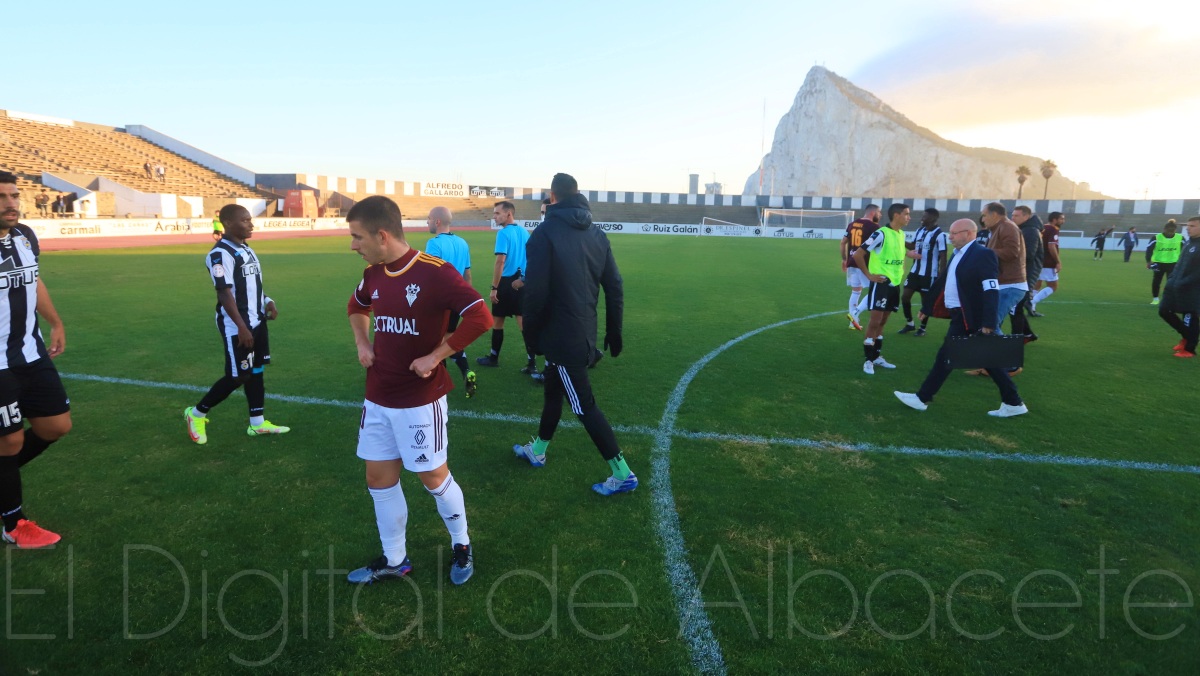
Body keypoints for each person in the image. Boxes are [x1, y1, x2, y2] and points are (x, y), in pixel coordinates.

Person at [344, 196, 492, 585]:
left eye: (357, 237)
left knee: (433, 477)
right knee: (378, 479)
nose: (352, 245)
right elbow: (356, 308)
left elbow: (481, 315)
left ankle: (461, 544)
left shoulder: (435, 272)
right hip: (378, 397)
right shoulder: (374, 274)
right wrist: (363, 344)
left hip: (419, 401)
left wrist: (437, 355)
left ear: (381, 234)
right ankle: (395, 559)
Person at [513, 173, 634, 496]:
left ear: (552, 197)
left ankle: (622, 472)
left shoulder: (544, 234)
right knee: (553, 390)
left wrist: (531, 338)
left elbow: (535, 293)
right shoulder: (597, 234)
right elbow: (615, 286)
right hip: (581, 333)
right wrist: (614, 331)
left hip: (561, 337)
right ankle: (537, 449)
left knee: (583, 405)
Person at [0, 172, 73, 548]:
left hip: (31, 352)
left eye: (14, 195)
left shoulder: (25, 235)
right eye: (2, 197)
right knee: (9, 442)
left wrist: (55, 321)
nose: (11, 203)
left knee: (55, 427)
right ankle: (13, 523)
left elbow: (34, 281)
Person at [893, 219, 1028, 417]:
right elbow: (943, 282)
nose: (950, 237)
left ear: (968, 233)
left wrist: (989, 322)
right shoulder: (957, 254)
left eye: (955, 233)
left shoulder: (984, 255)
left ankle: (922, 398)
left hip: (972, 317)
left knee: (950, 356)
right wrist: (927, 307)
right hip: (961, 316)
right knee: (983, 358)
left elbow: (991, 290)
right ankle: (1013, 402)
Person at [183, 205, 290, 444]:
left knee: (257, 371)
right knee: (238, 376)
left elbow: (251, 286)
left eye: (250, 219)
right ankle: (197, 413)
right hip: (237, 325)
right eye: (245, 220)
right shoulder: (220, 254)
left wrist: (268, 301)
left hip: (257, 320)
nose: (251, 224)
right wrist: (242, 327)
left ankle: (257, 423)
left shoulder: (246, 249)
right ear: (229, 223)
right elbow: (224, 293)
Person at [425, 206, 477, 398]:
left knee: (436, 342)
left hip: (439, 303)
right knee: (448, 339)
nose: (427, 222)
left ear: (437, 221)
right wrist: (466, 301)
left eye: (429, 219)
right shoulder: (462, 242)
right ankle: (466, 371)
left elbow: (431, 276)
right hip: (457, 301)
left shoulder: (434, 243)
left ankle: (439, 384)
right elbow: (467, 274)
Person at [476, 201, 534, 373]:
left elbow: (500, 261)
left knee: (498, 321)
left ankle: (494, 358)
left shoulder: (503, 234)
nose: (494, 217)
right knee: (523, 322)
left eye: (497, 213)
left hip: (506, 282)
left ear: (508, 214)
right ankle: (532, 363)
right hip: (522, 282)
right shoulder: (524, 232)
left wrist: (494, 287)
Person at [853, 203, 908, 374]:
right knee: (875, 322)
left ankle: (877, 357)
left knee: (883, 322)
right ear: (896, 215)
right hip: (881, 284)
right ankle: (868, 360)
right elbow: (858, 254)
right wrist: (869, 276)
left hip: (894, 284)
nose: (909, 217)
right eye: (906, 214)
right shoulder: (880, 234)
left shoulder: (901, 234)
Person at [897, 208, 946, 337]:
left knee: (926, 302)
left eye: (925, 216)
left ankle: (922, 328)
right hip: (915, 272)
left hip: (929, 274)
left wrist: (941, 278)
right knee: (905, 297)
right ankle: (910, 323)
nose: (922, 218)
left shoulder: (939, 234)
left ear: (933, 219)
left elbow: (943, 256)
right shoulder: (919, 230)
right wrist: (899, 239)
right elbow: (913, 246)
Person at [981, 202, 1026, 333]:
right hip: (1005, 284)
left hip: (1010, 285)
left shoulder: (1007, 227)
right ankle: (993, 352)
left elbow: (1012, 252)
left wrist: (985, 252)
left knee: (991, 325)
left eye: (984, 215)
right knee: (990, 324)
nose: (982, 219)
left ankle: (1006, 353)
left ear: (994, 215)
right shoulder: (998, 228)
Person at [1160, 216, 1200, 358]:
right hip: (1175, 285)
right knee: (1164, 310)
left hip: (1192, 290)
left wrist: (1183, 282)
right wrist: (1172, 279)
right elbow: (1179, 265)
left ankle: (1189, 349)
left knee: (1189, 317)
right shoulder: (1189, 243)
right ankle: (1187, 337)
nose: (1188, 228)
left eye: (1193, 226)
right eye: (1188, 226)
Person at [840, 204, 881, 331]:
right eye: (879, 213)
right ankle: (855, 314)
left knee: (856, 291)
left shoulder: (852, 224)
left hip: (852, 262)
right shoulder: (874, 227)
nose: (880, 215)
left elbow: (843, 243)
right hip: (864, 264)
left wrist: (844, 259)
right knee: (876, 291)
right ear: (873, 213)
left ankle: (853, 323)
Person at [1009, 205, 1044, 343]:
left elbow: (1028, 255)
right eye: (1012, 215)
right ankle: (1027, 334)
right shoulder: (1026, 229)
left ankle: (1017, 339)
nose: (1013, 218)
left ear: (1026, 216)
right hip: (1023, 273)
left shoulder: (1030, 231)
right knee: (1016, 307)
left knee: (1016, 307)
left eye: (1016, 215)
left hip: (1026, 274)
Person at [1029, 211, 1064, 315]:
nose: (1063, 221)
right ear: (1054, 219)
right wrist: (1058, 262)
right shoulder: (1053, 229)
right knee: (1053, 286)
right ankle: (1032, 302)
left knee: (1037, 284)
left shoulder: (1042, 227)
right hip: (1048, 262)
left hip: (1037, 260)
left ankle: (1032, 309)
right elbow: (1051, 246)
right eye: (1061, 219)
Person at [1147, 220, 1183, 305]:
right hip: (1158, 263)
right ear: (1164, 229)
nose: (1170, 233)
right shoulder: (1156, 237)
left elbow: (1184, 250)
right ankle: (1155, 299)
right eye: (1168, 231)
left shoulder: (1180, 238)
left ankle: (1169, 299)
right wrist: (1148, 261)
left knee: (1171, 283)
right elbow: (1149, 249)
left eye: (1172, 231)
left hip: (1173, 264)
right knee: (1156, 281)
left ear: (1175, 230)